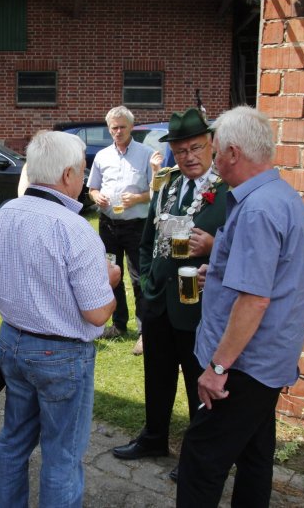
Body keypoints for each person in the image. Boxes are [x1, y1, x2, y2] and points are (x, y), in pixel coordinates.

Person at [176, 106, 304, 507]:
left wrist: (218, 368)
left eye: (216, 151)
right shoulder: (280, 195)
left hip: (243, 366)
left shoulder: (257, 209)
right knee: (255, 457)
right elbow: (265, 275)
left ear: (233, 153)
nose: (213, 160)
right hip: (265, 361)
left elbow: (255, 299)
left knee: (201, 459)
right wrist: (217, 275)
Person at [0, 130, 121, 507]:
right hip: (60, 354)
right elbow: (96, 315)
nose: (83, 178)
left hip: (12, 342)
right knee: (62, 454)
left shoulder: (0, 215)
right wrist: (110, 282)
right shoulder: (75, 229)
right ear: (66, 176)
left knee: (14, 440)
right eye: (82, 171)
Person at [111, 108, 229, 485]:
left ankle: (197, 454)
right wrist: (146, 279)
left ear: (211, 145)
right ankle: (153, 438)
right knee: (156, 375)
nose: (189, 156)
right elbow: (148, 239)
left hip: (200, 307)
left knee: (198, 381)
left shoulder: (229, 190)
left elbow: (245, 247)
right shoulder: (167, 182)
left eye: (196, 147)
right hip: (159, 299)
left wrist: (214, 245)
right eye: (181, 151)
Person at [87, 106, 155, 343]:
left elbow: (157, 190)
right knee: (111, 274)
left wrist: (137, 198)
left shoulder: (146, 154)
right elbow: (92, 188)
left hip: (137, 225)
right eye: (114, 128)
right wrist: (97, 197)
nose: (118, 131)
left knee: (138, 278)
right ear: (109, 129)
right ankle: (118, 324)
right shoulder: (102, 156)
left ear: (131, 127)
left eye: (122, 127)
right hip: (108, 226)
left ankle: (144, 330)